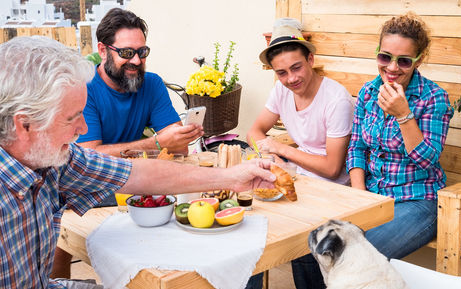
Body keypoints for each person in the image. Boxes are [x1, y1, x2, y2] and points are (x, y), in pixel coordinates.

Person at [0, 36, 275, 289]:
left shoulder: (52, 160)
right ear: (24, 124)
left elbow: (139, 173)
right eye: (71, 118)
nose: (82, 128)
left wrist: (232, 177)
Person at [291, 12, 454, 289]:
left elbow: (427, 160)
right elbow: (357, 146)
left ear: (419, 60)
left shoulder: (432, 98)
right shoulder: (368, 92)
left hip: (416, 202)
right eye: (385, 57)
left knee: (353, 255)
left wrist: (404, 116)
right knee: (306, 246)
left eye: (403, 60)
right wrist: (359, 193)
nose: (392, 67)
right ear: (377, 53)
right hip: (371, 197)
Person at [77, 8, 202, 157]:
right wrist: (156, 143)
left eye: (142, 52)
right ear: (103, 51)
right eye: (127, 53)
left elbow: (179, 149)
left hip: (137, 175)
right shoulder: (82, 89)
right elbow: (89, 158)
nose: (136, 60)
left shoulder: (152, 84)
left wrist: (177, 138)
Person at [247, 18, 354, 184]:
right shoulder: (281, 90)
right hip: (296, 173)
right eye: (282, 73)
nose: (291, 79)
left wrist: (281, 149)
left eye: (296, 68)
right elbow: (254, 132)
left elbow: (332, 169)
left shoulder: (337, 100)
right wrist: (278, 163)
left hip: (330, 186)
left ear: (310, 60)